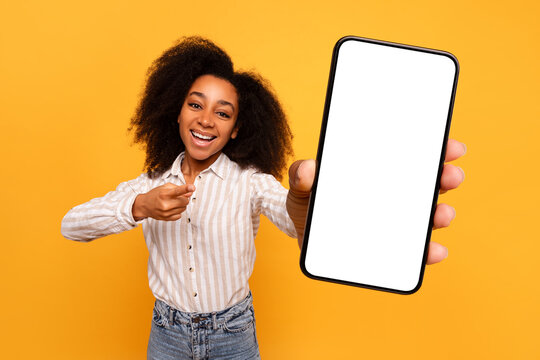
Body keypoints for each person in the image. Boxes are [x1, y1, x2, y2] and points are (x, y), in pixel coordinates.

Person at [61, 36, 466, 360]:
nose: (206, 119)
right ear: (177, 113)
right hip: (166, 335)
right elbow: (71, 225)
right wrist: (139, 206)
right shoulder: (148, 184)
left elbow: (290, 215)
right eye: (195, 105)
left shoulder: (250, 182)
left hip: (232, 335)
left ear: (237, 128)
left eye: (223, 112)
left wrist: (305, 203)